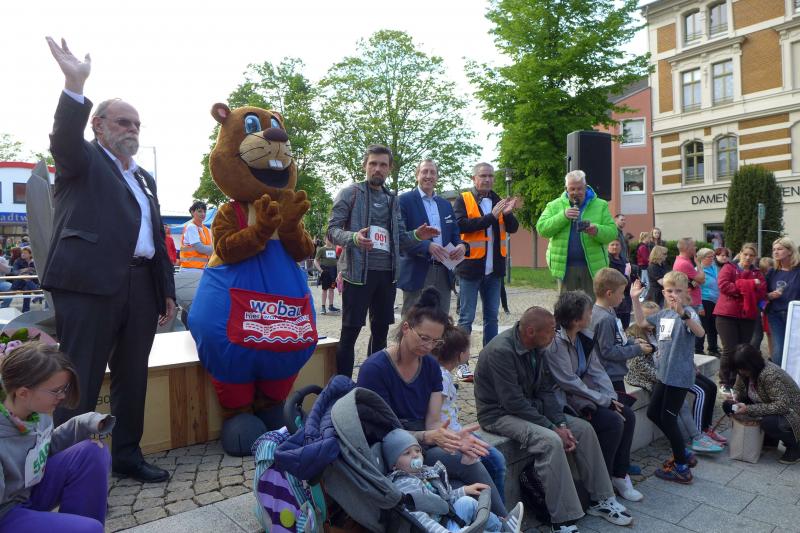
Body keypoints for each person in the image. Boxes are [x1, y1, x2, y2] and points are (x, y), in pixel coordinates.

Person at [44, 37, 176, 482]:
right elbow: (63, 139)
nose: (133, 129)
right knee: (78, 378)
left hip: (141, 286)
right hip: (88, 286)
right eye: (123, 121)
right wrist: (74, 85)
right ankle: (66, 468)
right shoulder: (81, 159)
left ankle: (126, 456)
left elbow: (154, 236)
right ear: (98, 126)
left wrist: (166, 291)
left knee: (133, 376)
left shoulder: (144, 178)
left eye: (137, 123)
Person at [474, 306, 634, 533]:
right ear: (531, 331)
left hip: (530, 408)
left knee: (583, 429)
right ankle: (562, 520)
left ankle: (601, 499)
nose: (554, 334)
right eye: (550, 330)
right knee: (550, 441)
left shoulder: (538, 347)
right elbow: (513, 402)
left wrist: (560, 423)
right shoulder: (501, 351)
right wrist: (552, 428)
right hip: (498, 414)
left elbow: (547, 391)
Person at [356, 288, 508, 518]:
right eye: (423, 338)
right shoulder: (375, 369)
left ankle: (501, 519)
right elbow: (383, 432)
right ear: (406, 328)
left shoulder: (430, 366)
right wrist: (430, 436)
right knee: (466, 463)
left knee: (470, 458)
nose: (428, 346)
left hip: (422, 445)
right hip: (393, 452)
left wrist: (452, 437)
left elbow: (434, 421)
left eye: (435, 341)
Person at [327, 144, 439, 379]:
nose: (377, 169)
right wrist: (354, 238)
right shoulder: (350, 193)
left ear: (389, 169)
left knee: (380, 333)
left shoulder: (392, 200)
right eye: (373, 164)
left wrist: (417, 235)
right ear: (365, 166)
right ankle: (342, 387)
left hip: (387, 275)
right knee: (350, 332)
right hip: (357, 274)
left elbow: (400, 240)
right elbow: (331, 231)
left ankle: (372, 383)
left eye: (383, 165)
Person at [0, 342, 114, 532]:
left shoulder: (36, 411)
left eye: (65, 388)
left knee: (93, 452)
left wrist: (84, 423)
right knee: (89, 529)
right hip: (5, 514)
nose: (62, 396)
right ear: (23, 393)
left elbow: (44, 447)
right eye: (56, 390)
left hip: (30, 493)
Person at [546, 291, 643, 503]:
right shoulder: (555, 344)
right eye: (588, 312)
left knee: (627, 414)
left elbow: (597, 371)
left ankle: (619, 475)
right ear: (575, 319)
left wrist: (611, 398)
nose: (591, 315)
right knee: (612, 423)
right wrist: (605, 401)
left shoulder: (584, 337)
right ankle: (603, 483)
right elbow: (568, 382)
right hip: (566, 401)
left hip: (585, 396)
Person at [631, 272, 704, 484]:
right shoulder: (664, 314)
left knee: (669, 418)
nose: (674, 294)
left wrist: (683, 314)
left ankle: (681, 468)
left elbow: (700, 333)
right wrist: (635, 299)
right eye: (670, 290)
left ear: (686, 292)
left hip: (679, 378)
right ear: (663, 292)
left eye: (678, 291)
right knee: (654, 413)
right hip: (663, 375)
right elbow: (641, 322)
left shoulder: (689, 313)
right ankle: (683, 452)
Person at [625, 302, 725, 454]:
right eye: (648, 318)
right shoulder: (634, 334)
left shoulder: (662, 326)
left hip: (669, 371)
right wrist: (665, 374)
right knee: (681, 403)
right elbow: (639, 365)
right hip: (649, 376)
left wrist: (689, 364)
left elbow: (671, 350)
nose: (652, 321)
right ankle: (691, 439)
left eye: (655, 317)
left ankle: (700, 434)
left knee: (709, 386)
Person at [382, 428, 524, 533]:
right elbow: (418, 518)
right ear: (394, 465)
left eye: (417, 451)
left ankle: (502, 527)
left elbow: (444, 497)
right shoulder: (405, 484)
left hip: (446, 518)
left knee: (467, 502)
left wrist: (463, 491)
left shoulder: (425, 472)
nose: (415, 455)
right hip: (435, 529)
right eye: (407, 453)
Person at [433, 324, 507, 504]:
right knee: (496, 462)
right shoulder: (441, 378)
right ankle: (498, 509)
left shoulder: (444, 374)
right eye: (468, 349)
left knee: (495, 459)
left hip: (456, 431)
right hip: (451, 435)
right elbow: (436, 415)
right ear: (460, 355)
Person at [454, 163, 520, 349]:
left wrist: (507, 214)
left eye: (491, 176)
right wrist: (491, 217)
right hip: (470, 269)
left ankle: (489, 358)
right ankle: (460, 359)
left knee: (492, 318)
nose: (487, 179)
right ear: (473, 178)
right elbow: (461, 225)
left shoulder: (498, 200)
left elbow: (513, 228)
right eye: (483, 176)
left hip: (494, 271)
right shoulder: (463, 199)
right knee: (466, 318)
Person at [398, 159, 466, 317]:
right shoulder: (404, 201)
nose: (428, 176)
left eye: (432, 172)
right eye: (424, 172)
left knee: (441, 320)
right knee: (413, 321)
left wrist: (461, 245)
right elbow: (399, 237)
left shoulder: (445, 204)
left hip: (444, 270)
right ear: (417, 175)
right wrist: (426, 246)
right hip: (418, 270)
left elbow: (455, 233)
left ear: (437, 177)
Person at [536, 170, 617, 299]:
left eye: (579, 188)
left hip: (593, 269)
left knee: (593, 306)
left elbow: (612, 232)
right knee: (568, 307)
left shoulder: (600, 205)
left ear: (585, 187)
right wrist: (563, 216)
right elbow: (541, 229)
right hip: (565, 269)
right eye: (572, 189)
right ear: (566, 189)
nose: (576, 192)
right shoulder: (554, 205)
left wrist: (596, 230)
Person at [723, 343, 800, 464]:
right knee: (728, 405)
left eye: (742, 369)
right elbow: (738, 388)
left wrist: (748, 409)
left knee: (768, 422)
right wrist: (735, 396)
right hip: (769, 404)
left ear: (751, 364)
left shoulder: (769, 374)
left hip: (793, 412)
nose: (740, 372)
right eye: (738, 369)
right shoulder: (744, 371)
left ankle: (795, 446)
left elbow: (782, 405)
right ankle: (769, 439)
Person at [714, 242, 766, 394]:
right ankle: (725, 381)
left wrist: (740, 286)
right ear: (740, 253)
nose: (748, 257)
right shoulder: (729, 268)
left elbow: (761, 293)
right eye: (746, 254)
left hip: (747, 315)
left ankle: (738, 382)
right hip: (727, 314)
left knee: (743, 350)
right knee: (729, 349)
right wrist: (749, 285)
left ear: (755, 257)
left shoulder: (757, 273)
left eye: (752, 255)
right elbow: (724, 286)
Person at [591, 268, 652, 393]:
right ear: (609, 294)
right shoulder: (605, 319)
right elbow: (608, 351)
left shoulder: (609, 310)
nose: (623, 297)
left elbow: (616, 339)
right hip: (609, 376)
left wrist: (632, 342)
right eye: (621, 292)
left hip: (612, 373)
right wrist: (637, 349)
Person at [765, 237, 800, 366]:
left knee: (795, 349)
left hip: (796, 316)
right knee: (779, 349)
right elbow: (762, 295)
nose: (775, 252)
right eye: (774, 249)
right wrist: (769, 296)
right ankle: (778, 376)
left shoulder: (798, 271)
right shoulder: (772, 272)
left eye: (779, 249)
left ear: (790, 251)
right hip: (775, 315)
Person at [697, 248, 720, 356]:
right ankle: (698, 349)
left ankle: (713, 349)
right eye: (709, 257)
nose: (712, 258)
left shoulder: (714, 268)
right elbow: (696, 290)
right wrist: (700, 306)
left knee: (713, 327)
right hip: (704, 301)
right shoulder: (697, 270)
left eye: (713, 256)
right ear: (702, 258)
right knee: (702, 326)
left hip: (715, 301)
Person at [606, 240, 632, 329]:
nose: (615, 247)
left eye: (617, 245)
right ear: (608, 247)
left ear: (621, 247)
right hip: (615, 296)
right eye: (612, 244)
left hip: (626, 296)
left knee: (626, 325)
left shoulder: (625, 260)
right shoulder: (607, 261)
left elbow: (629, 275)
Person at [179, 201, 212, 270]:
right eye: (200, 211)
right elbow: (200, 248)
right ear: (192, 212)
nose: (203, 214)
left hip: (202, 268)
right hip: (190, 268)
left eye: (204, 211)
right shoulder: (191, 227)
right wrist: (217, 250)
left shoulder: (206, 230)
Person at [313, 237, 340, 315]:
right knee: (324, 289)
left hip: (333, 271)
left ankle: (331, 306)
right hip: (325, 271)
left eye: (331, 239)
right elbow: (315, 260)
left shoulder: (335, 249)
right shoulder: (322, 249)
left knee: (332, 288)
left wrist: (339, 270)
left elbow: (338, 260)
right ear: (325, 240)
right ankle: (323, 307)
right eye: (328, 239)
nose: (330, 240)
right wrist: (320, 270)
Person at [10, 247, 40, 313]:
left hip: (32, 282)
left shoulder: (34, 261)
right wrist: (25, 271)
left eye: (25, 253)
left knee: (27, 287)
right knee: (26, 280)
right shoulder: (18, 261)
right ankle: (40, 295)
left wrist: (29, 273)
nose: (23, 254)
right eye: (22, 253)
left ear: (30, 254)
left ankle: (25, 310)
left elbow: (38, 272)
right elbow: (14, 272)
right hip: (19, 283)